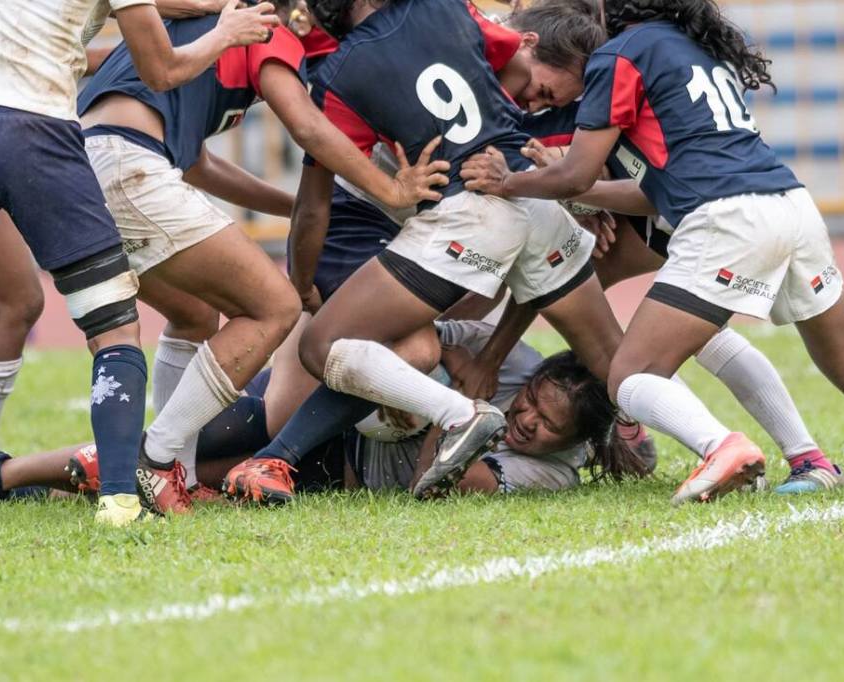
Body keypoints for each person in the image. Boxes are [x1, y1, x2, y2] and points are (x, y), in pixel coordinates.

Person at [461, 0, 844, 503]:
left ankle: (722, 447)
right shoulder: (690, 47)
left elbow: (577, 172)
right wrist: (575, 190)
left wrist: (513, 183)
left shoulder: (617, 56)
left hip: (725, 220)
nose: (537, 97)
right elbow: (650, 188)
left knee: (632, 374)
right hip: (790, 205)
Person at [220, 0, 633, 504]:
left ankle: (443, 414)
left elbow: (313, 203)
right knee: (616, 361)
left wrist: (301, 282)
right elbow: (516, 62)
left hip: (466, 214)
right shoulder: (445, 9)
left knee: (323, 348)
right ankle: (711, 441)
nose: (534, 105)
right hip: (506, 196)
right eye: (540, 95)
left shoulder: (340, 73)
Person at [73, 0, 450, 515]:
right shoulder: (260, 27)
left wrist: (293, 207)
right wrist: (391, 187)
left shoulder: (190, 22)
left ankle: (172, 469)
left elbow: (198, 165)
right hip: (129, 165)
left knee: (195, 314)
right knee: (275, 306)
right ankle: (156, 455)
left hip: (89, 167)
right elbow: (308, 128)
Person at [0, 0, 281, 526]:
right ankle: (126, 496)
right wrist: (226, 31)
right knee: (115, 328)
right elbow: (163, 70)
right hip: (33, 130)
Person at [0, 320, 652, 508]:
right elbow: (426, 337)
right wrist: (425, 383)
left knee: (162, 480)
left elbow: (445, 483)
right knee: (153, 460)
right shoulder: (520, 364)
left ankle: (2, 479)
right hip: (314, 415)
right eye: (529, 404)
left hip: (338, 470)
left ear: (569, 443)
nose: (525, 419)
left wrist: (443, 416)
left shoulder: (553, 475)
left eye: (542, 424)